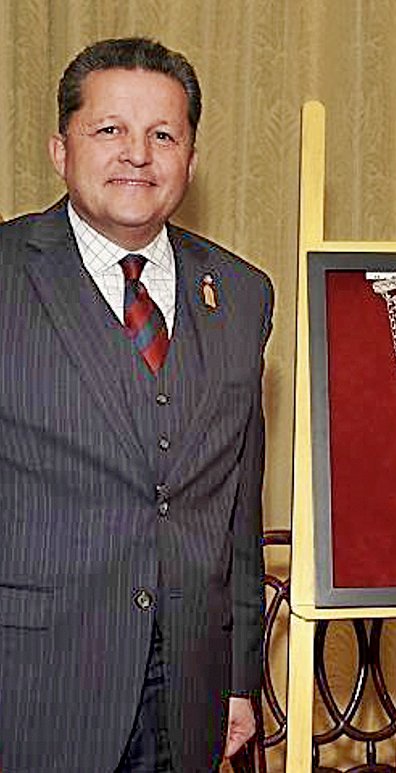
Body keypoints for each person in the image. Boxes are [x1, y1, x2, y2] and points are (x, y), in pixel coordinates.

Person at [0, 38, 273, 772]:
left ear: (189, 155)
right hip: (28, 685)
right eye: (110, 130)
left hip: (184, 695)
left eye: (162, 134)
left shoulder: (243, 295)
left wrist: (240, 678)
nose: (137, 155)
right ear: (61, 149)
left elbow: (238, 509)